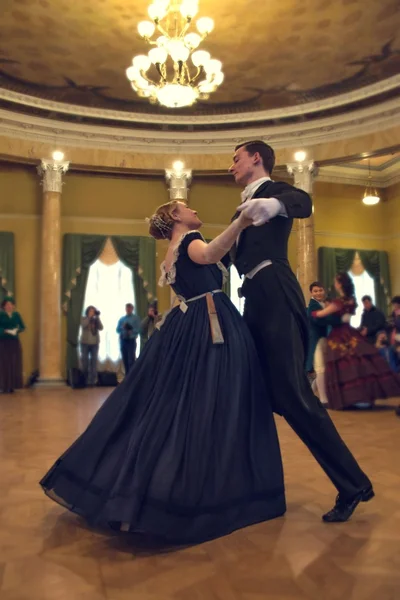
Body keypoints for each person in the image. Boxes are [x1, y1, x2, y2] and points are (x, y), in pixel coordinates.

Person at [39, 200, 286, 544]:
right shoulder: (190, 241)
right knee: (216, 402)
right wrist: (242, 222)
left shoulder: (169, 252)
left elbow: (179, 296)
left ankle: (149, 489)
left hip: (188, 324)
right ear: (175, 217)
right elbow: (211, 254)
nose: (195, 209)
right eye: (187, 207)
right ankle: (202, 491)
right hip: (210, 324)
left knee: (177, 405)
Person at [228, 139, 373, 523]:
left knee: (292, 395)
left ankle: (352, 484)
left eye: (236, 158)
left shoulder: (275, 193)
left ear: (256, 159)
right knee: (251, 394)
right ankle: (251, 487)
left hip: (276, 293)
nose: (232, 166)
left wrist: (274, 206)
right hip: (254, 300)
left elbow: (304, 203)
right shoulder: (240, 207)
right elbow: (226, 256)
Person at [312, 273, 400, 409]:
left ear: (340, 284)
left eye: (336, 281)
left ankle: (348, 399)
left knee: (345, 366)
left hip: (339, 335)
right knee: (359, 362)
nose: (334, 284)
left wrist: (310, 312)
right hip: (350, 332)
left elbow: (320, 314)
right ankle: (363, 397)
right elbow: (347, 315)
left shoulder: (338, 302)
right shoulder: (351, 300)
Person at [306, 282, 342, 405]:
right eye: (315, 291)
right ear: (311, 293)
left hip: (325, 339)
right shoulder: (312, 306)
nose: (318, 293)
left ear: (324, 291)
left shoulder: (325, 304)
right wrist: (332, 317)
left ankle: (309, 394)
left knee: (324, 369)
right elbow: (319, 320)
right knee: (320, 368)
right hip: (316, 340)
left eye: (320, 290)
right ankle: (323, 399)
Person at [0, 297, 25, 393]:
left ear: (14, 306)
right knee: (4, 364)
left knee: (14, 363)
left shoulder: (16, 315)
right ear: (4, 306)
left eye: (11, 304)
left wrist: (16, 330)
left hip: (14, 342)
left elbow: (22, 327)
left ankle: (12, 386)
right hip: (3, 342)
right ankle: (3, 386)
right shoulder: (1, 315)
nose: (9, 306)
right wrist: (5, 331)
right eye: (7, 305)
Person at [80, 306, 103, 386]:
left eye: (93, 311)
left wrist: (97, 318)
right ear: (87, 312)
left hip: (95, 344)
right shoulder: (83, 318)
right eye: (91, 311)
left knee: (93, 363)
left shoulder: (96, 319)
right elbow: (83, 325)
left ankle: (92, 381)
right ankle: (84, 381)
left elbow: (101, 328)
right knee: (85, 362)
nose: (92, 312)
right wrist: (89, 317)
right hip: (85, 343)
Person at [116, 303, 141, 375]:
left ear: (132, 309)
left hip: (131, 340)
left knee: (131, 360)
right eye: (127, 308)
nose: (128, 310)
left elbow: (139, 329)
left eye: (129, 308)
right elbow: (117, 330)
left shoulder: (136, 318)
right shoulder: (122, 319)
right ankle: (127, 377)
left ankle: (132, 377)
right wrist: (122, 328)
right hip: (123, 340)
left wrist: (132, 331)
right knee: (125, 359)